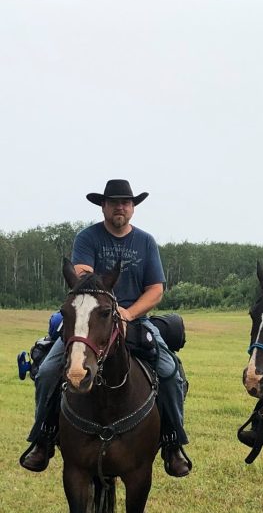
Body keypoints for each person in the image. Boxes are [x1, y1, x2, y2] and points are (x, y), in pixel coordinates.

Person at [19, 179, 192, 477]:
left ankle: (173, 441)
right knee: (48, 371)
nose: (120, 207)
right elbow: (82, 274)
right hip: (90, 318)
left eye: (126, 202)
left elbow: (156, 289)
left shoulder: (146, 242)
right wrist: (104, 302)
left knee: (170, 373)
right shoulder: (87, 238)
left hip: (135, 318)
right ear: (104, 207)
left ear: (133, 207)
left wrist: (127, 313)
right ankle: (43, 438)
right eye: (114, 202)